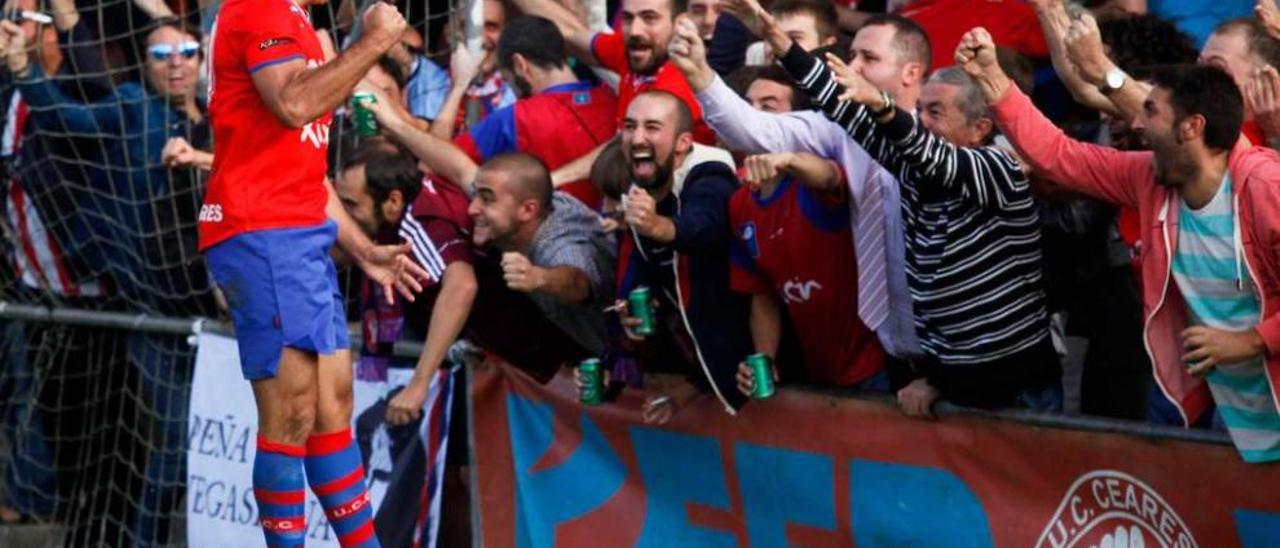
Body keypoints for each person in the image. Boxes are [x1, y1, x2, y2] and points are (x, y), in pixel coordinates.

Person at [962, 26, 1280, 462]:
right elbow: (1059, 155)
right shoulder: (1147, 177)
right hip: (1220, 402)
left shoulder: (1266, 186)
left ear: (1192, 127)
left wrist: (1253, 340)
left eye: (1150, 111)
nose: (1135, 122)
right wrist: (993, 81)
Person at [751, 0, 1061, 416]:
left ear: (980, 128)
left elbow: (926, 151)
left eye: (936, 112)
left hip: (1017, 392)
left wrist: (880, 105)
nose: (922, 121)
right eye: (920, 110)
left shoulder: (997, 167)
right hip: (955, 383)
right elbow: (844, 112)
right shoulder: (915, 168)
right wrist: (777, 39)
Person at [200, 0, 425, 546]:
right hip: (263, 231)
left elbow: (308, 168)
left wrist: (363, 248)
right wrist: (372, 42)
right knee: (293, 414)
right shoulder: (262, 8)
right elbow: (295, 104)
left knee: (332, 410)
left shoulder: (297, 18)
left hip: (300, 234)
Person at [674, 10, 924, 365]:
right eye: (853, 56)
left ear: (910, 72)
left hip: (952, 345)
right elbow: (751, 130)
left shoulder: (943, 135)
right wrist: (698, 72)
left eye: (870, 58)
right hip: (886, 342)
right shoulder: (839, 127)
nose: (854, 67)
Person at [612, 90, 749, 422]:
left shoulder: (709, 175)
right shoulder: (640, 192)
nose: (637, 137)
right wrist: (633, 321)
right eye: (630, 126)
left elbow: (706, 227)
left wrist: (659, 227)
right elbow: (653, 283)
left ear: (683, 142)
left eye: (652, 127)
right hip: (710, 378)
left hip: (761, 379)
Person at [452, 15, 617, 208]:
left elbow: (440, 162)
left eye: (508, 80)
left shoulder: (517, 117)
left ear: (520, 65)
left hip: (554, 233)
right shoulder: (615, 99)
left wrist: (458, 86)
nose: (513, 91)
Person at [513, 0, 718, 145]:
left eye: (650, 18)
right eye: (628, 18)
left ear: (679, 23)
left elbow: (623, 150)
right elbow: (571, 34)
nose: (636, 30)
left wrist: (555, 178)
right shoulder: (636, 50)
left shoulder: (676, 85)